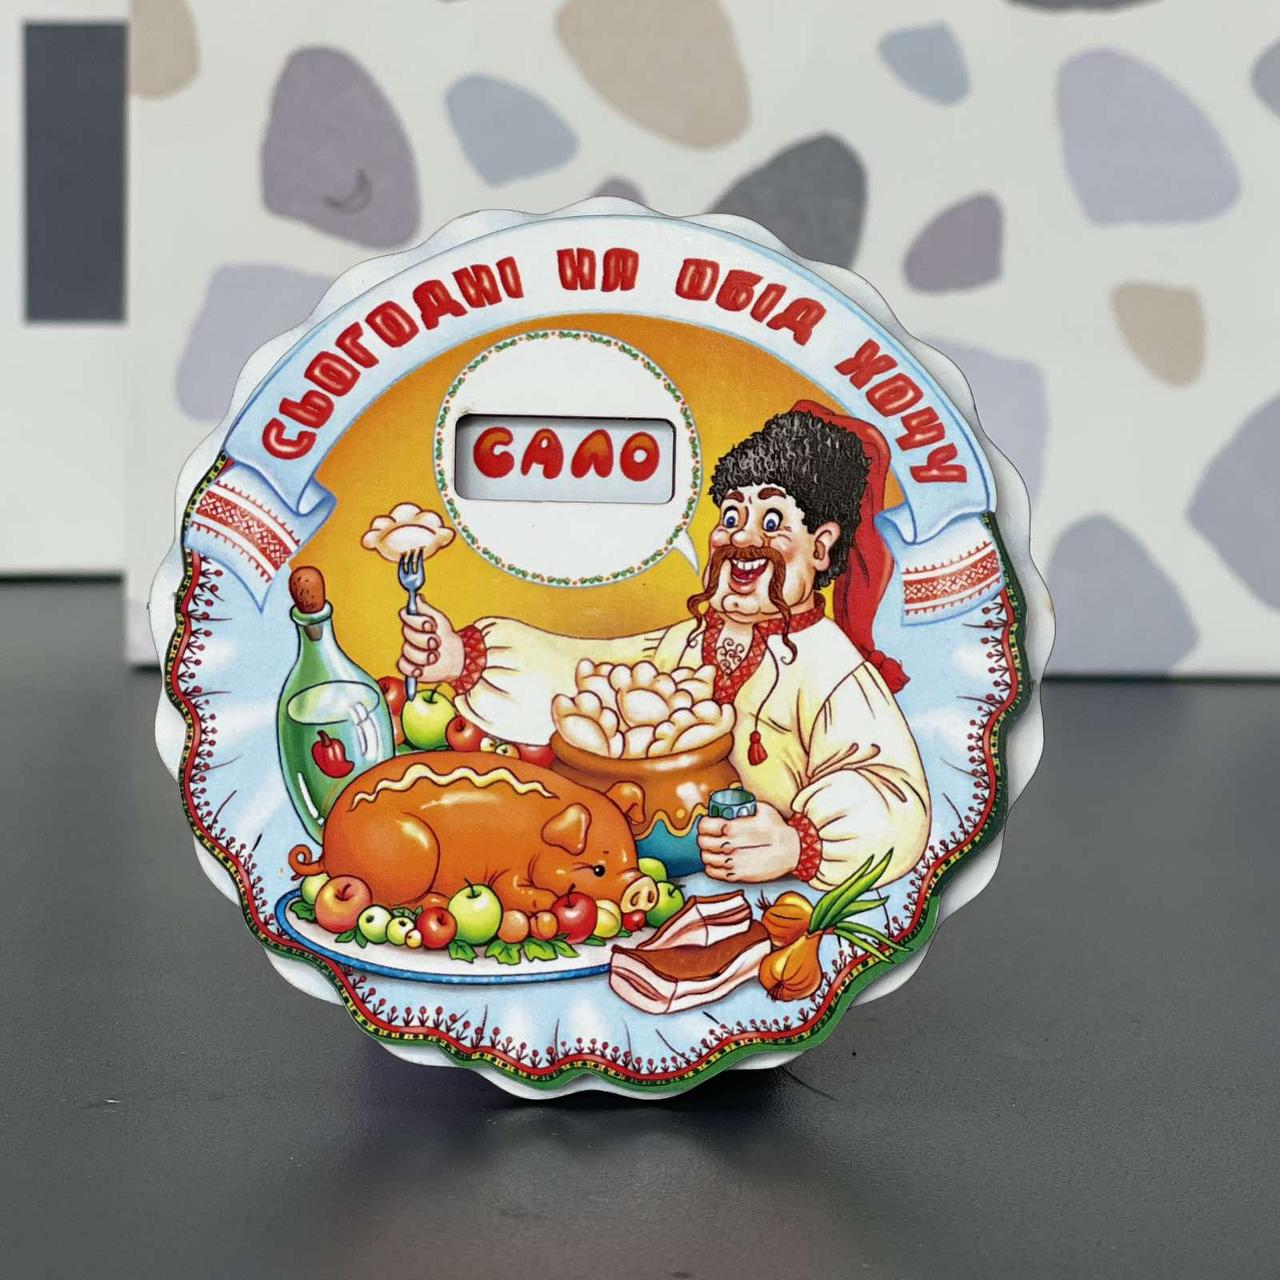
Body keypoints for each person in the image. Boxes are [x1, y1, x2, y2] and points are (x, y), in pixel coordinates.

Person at [399, 404, 931, 891]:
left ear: (821, 547)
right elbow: (589, 678)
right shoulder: (688, 641)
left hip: (778, 898)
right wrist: (466, 660)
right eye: (731, 517)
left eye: (771, 522)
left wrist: (798, 845)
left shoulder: (832, 668)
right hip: (641, 878)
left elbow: (896, 793)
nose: (741, 539)